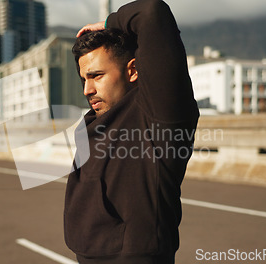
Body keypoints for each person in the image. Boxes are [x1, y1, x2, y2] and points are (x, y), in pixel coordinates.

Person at [64, 0, 200, 263]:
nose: (86, 90)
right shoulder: (99, 118)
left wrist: (107, 24)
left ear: (134, 70)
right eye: (84, 79)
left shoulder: (156, 115)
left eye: (97, 76)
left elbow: (151, 12)